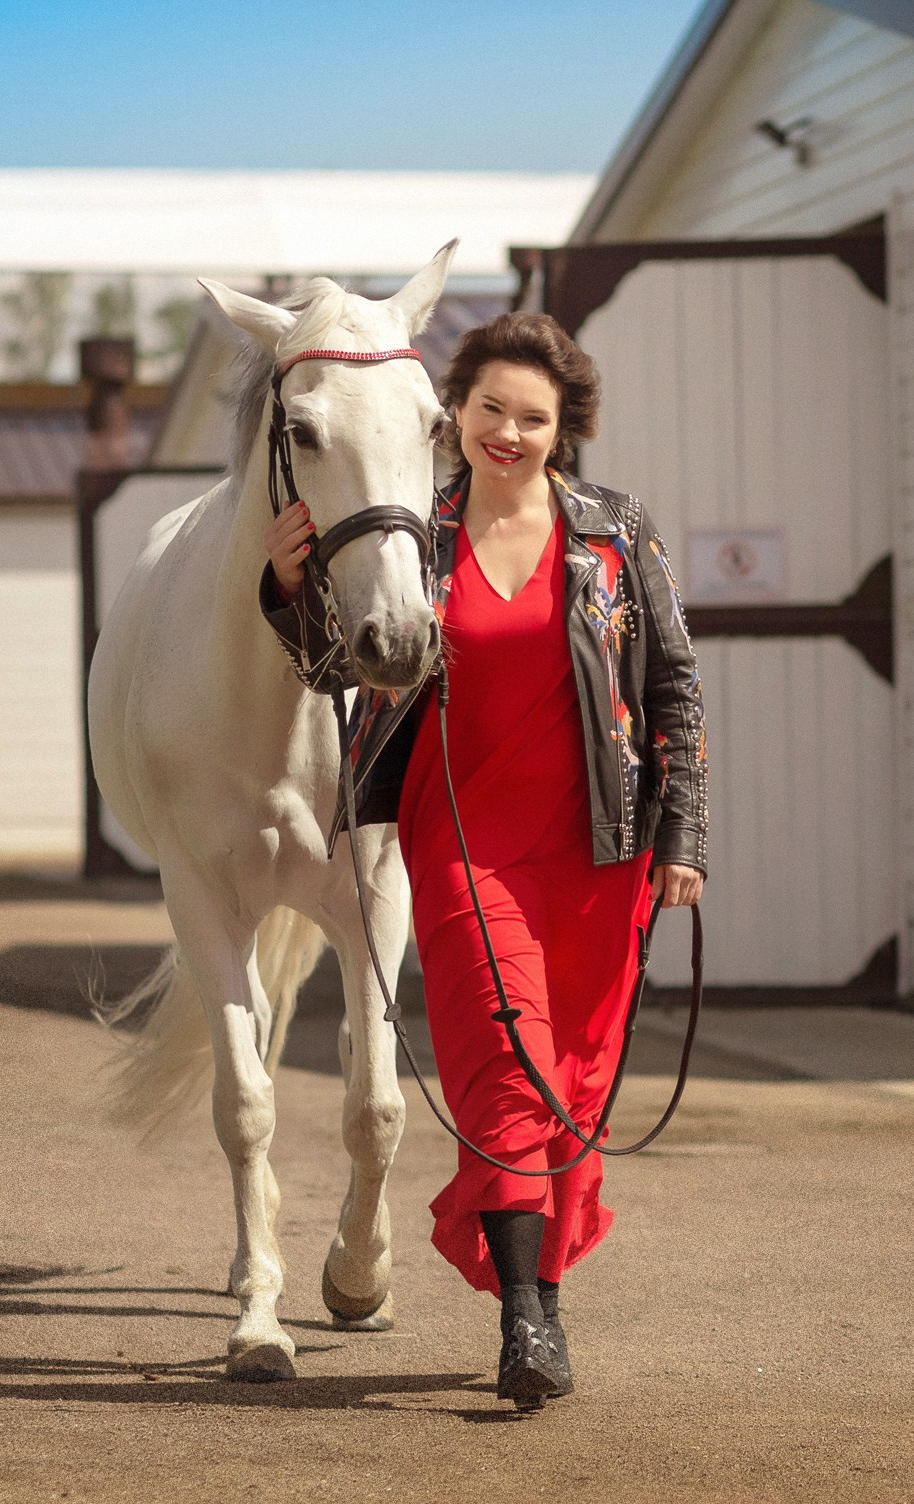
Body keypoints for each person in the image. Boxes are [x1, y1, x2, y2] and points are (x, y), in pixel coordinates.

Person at [258, 311, 707, 1410]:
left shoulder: (615, 533)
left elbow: (675, 688)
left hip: (598, 856)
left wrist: (680, 835)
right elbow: (337, 670)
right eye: (491, 408)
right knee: (508, 1070)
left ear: (566, 430)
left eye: (534, 416)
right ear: (455, 415)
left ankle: (539, 1291)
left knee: (571, 1095)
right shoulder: (420, 534)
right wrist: (284, 590)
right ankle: (528, 1320)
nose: (509, 430)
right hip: (462, 845)